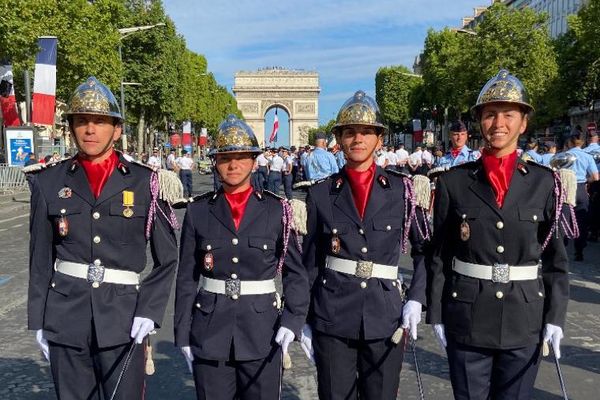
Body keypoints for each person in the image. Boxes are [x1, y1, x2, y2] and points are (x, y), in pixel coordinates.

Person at [24, 76, 180, 400]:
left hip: (124, 318)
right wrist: (38, 320)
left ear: (117, 130)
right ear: (71, 128)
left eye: (99, 122)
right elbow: (40, 259)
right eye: (82, 121)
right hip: (65, 316)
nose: (90, 130)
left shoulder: (147, 183)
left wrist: (149, 311)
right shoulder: (48, 182)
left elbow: (168, 259)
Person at [426, 70, 576, 400]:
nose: (499, 123)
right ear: (480, 121)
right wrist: (435, 313)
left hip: (524, 318)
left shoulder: (544, 183)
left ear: (523, 123)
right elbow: (439, 255)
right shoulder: (454, 182)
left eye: (509, 114)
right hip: (466, 316)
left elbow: (555, 259)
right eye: (490, 114)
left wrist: (555, 316)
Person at [301, 90, 430, 400]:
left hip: (385, 313)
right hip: (332, 314)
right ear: (339, 140)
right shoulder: (320, 194)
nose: (357, 138)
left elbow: (425, 251)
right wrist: (303, 316)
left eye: (366, 132)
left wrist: (416, 298)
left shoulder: (403, 190)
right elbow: (310, 262)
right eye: (349, 132)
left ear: (379, 139)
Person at [174, 114, 309, 400]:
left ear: (254, 160)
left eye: (241, 157)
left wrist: (293, 319)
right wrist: (182, 332)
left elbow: (296, 273)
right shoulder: (198, 212)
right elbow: (187, 277)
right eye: (225, 158)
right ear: (215, 162)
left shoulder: (277, 211)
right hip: (210, 330)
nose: (233, 165)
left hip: (263, 331)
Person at [562, 133, 599, 260]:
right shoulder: (588, 157)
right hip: (581, 188)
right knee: (581, 221)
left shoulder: (564, 155)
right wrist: (587, 181)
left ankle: (563, 248)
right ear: (583, 142)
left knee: (565, 220)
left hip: (567, 188)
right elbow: (595, 177)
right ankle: (579, 251)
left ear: (570, 142)